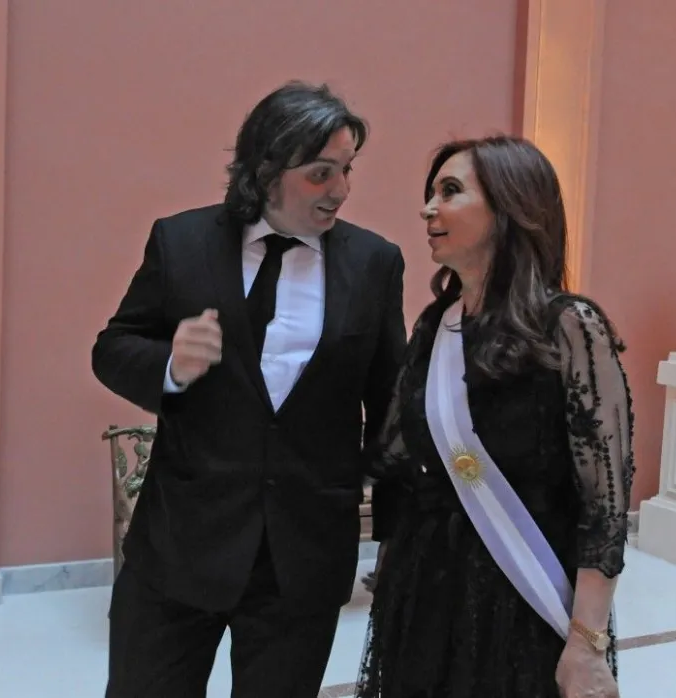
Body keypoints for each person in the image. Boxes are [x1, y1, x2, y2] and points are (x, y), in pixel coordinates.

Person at [91, 81, 407, 698]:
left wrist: (394, 537)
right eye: (320, 174)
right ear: (266, 171)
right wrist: (171, 364)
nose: (340, 190)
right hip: (181, 544)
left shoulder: (374, 263)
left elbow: (390, 399)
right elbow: (112, 349)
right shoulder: (181, 243)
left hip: (304, 557)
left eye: (346, 170)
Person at [356, 135, 634, 698]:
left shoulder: (570, 328)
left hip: (521, 595)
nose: (428, 208)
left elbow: (604, 509)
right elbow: (394, 458)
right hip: (426, 590)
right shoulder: (436, 326)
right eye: (431, 193)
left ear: (509, 207)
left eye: (449, 191)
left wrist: (586, 642)